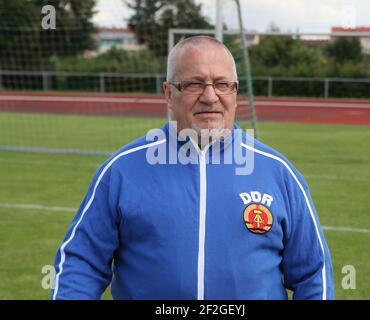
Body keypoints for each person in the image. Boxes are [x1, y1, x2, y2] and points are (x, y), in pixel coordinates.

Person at [52, 36, 334, 300]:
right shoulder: (120, 172)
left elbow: (313, 273)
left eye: (222, 84)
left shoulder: (279, 173)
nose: (210, 97)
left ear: (236, 92)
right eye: (194, 84)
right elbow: (81, 263)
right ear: (168, 92)